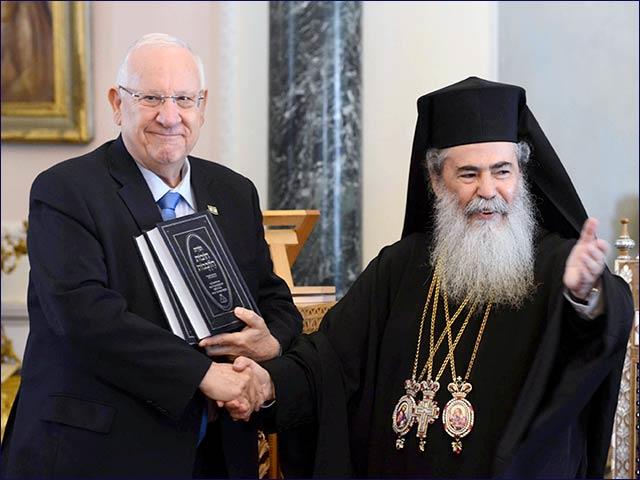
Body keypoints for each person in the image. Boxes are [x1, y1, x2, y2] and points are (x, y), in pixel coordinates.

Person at [217, 77, 634, 477]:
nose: (488, 190)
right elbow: (329, 360)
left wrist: (586, 297)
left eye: (502, 171)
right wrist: (269, 383)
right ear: (436, 180)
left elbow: (592, 343)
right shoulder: (399, 267)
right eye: (469, 174)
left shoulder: (557, 267)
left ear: (521, 174)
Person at [0, 33, 301, 478]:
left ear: (202, 105)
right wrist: (204, 374)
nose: (170, 115)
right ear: (117, 103)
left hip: (214, 453)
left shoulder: (234, 192)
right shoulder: (66, 190)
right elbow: (84, 315)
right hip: (97, 453)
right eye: (151, 97)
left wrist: (269, 342)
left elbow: (272, 297)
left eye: (183, 98)